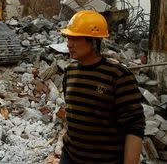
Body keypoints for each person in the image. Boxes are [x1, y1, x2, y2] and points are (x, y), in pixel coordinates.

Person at [60, 10, 145, 164]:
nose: (68, 43)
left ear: (93, 41)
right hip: (70, 157)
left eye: (75, 38)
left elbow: (135, 126)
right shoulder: (69, 71)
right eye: (68, 37)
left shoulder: (118, 76)